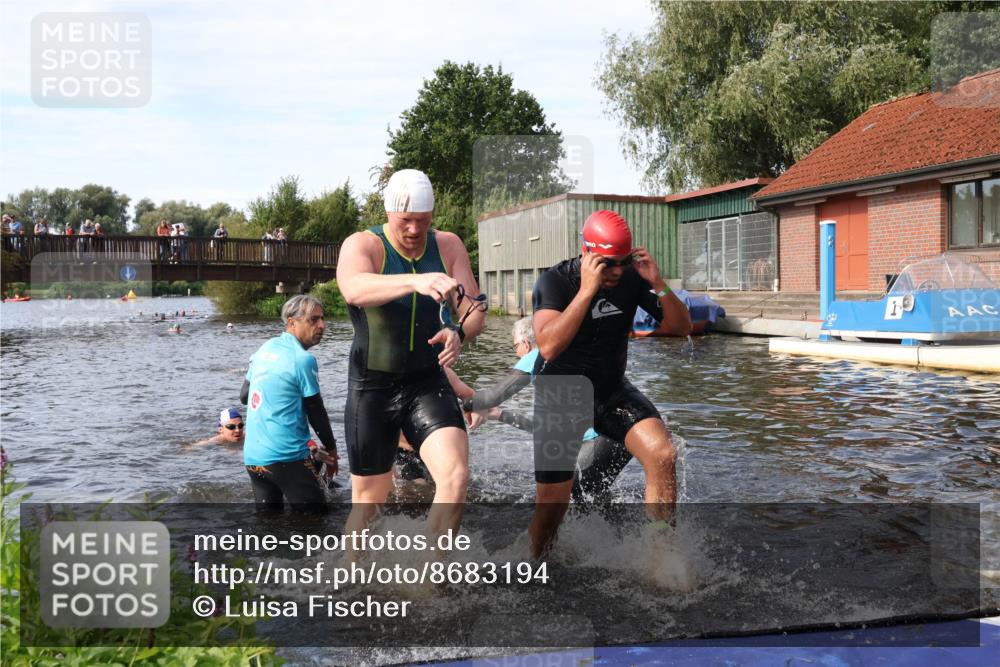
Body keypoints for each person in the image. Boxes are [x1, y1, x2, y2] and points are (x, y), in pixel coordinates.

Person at [528, 209, 692, 558]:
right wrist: (587, 292)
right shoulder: (555, 281)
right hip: (561, 394)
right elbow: (548, 346)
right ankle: (535, 561)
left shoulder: (631, 277)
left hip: (610, 389)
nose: (617, 271)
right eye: (607, 263)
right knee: (552, 508)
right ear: (586, 251)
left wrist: (658, 284)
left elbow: (681, 328)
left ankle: (662, 555)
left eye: (622, 262)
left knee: (662, 454)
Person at [336, 168, 485, 546]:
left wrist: (459, 331)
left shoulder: (448, 245)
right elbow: (354, 288)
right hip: (373, 386)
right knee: (369, 503)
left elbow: (474, 308)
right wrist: (416, 281)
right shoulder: (363, 245)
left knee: (455, 478)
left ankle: (431, 579)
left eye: (423, 221)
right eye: (406, 221)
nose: (415, 230)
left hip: (426, 381)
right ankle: (352, 577)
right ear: (389, 214)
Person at [460, 316, 634, 503]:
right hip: (625, 434)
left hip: (602, 439)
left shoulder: (536, 356)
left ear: (526, 344)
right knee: (591, 498)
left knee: (559, 496)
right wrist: (500, 415)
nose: (516, 352)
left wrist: (465, 404)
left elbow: (493, 396)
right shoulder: (566, 356)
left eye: (515, 346)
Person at [240, 295, 339, 512]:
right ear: (292, 323)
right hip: (287, 458)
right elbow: (316, 412)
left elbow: (245, 396)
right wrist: (331, 451)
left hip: (254, 458)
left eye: (322, 319)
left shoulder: (264, 350)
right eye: (313, 320)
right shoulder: (303, 359)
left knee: (269, 528)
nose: (322, 325)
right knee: (317, 524)